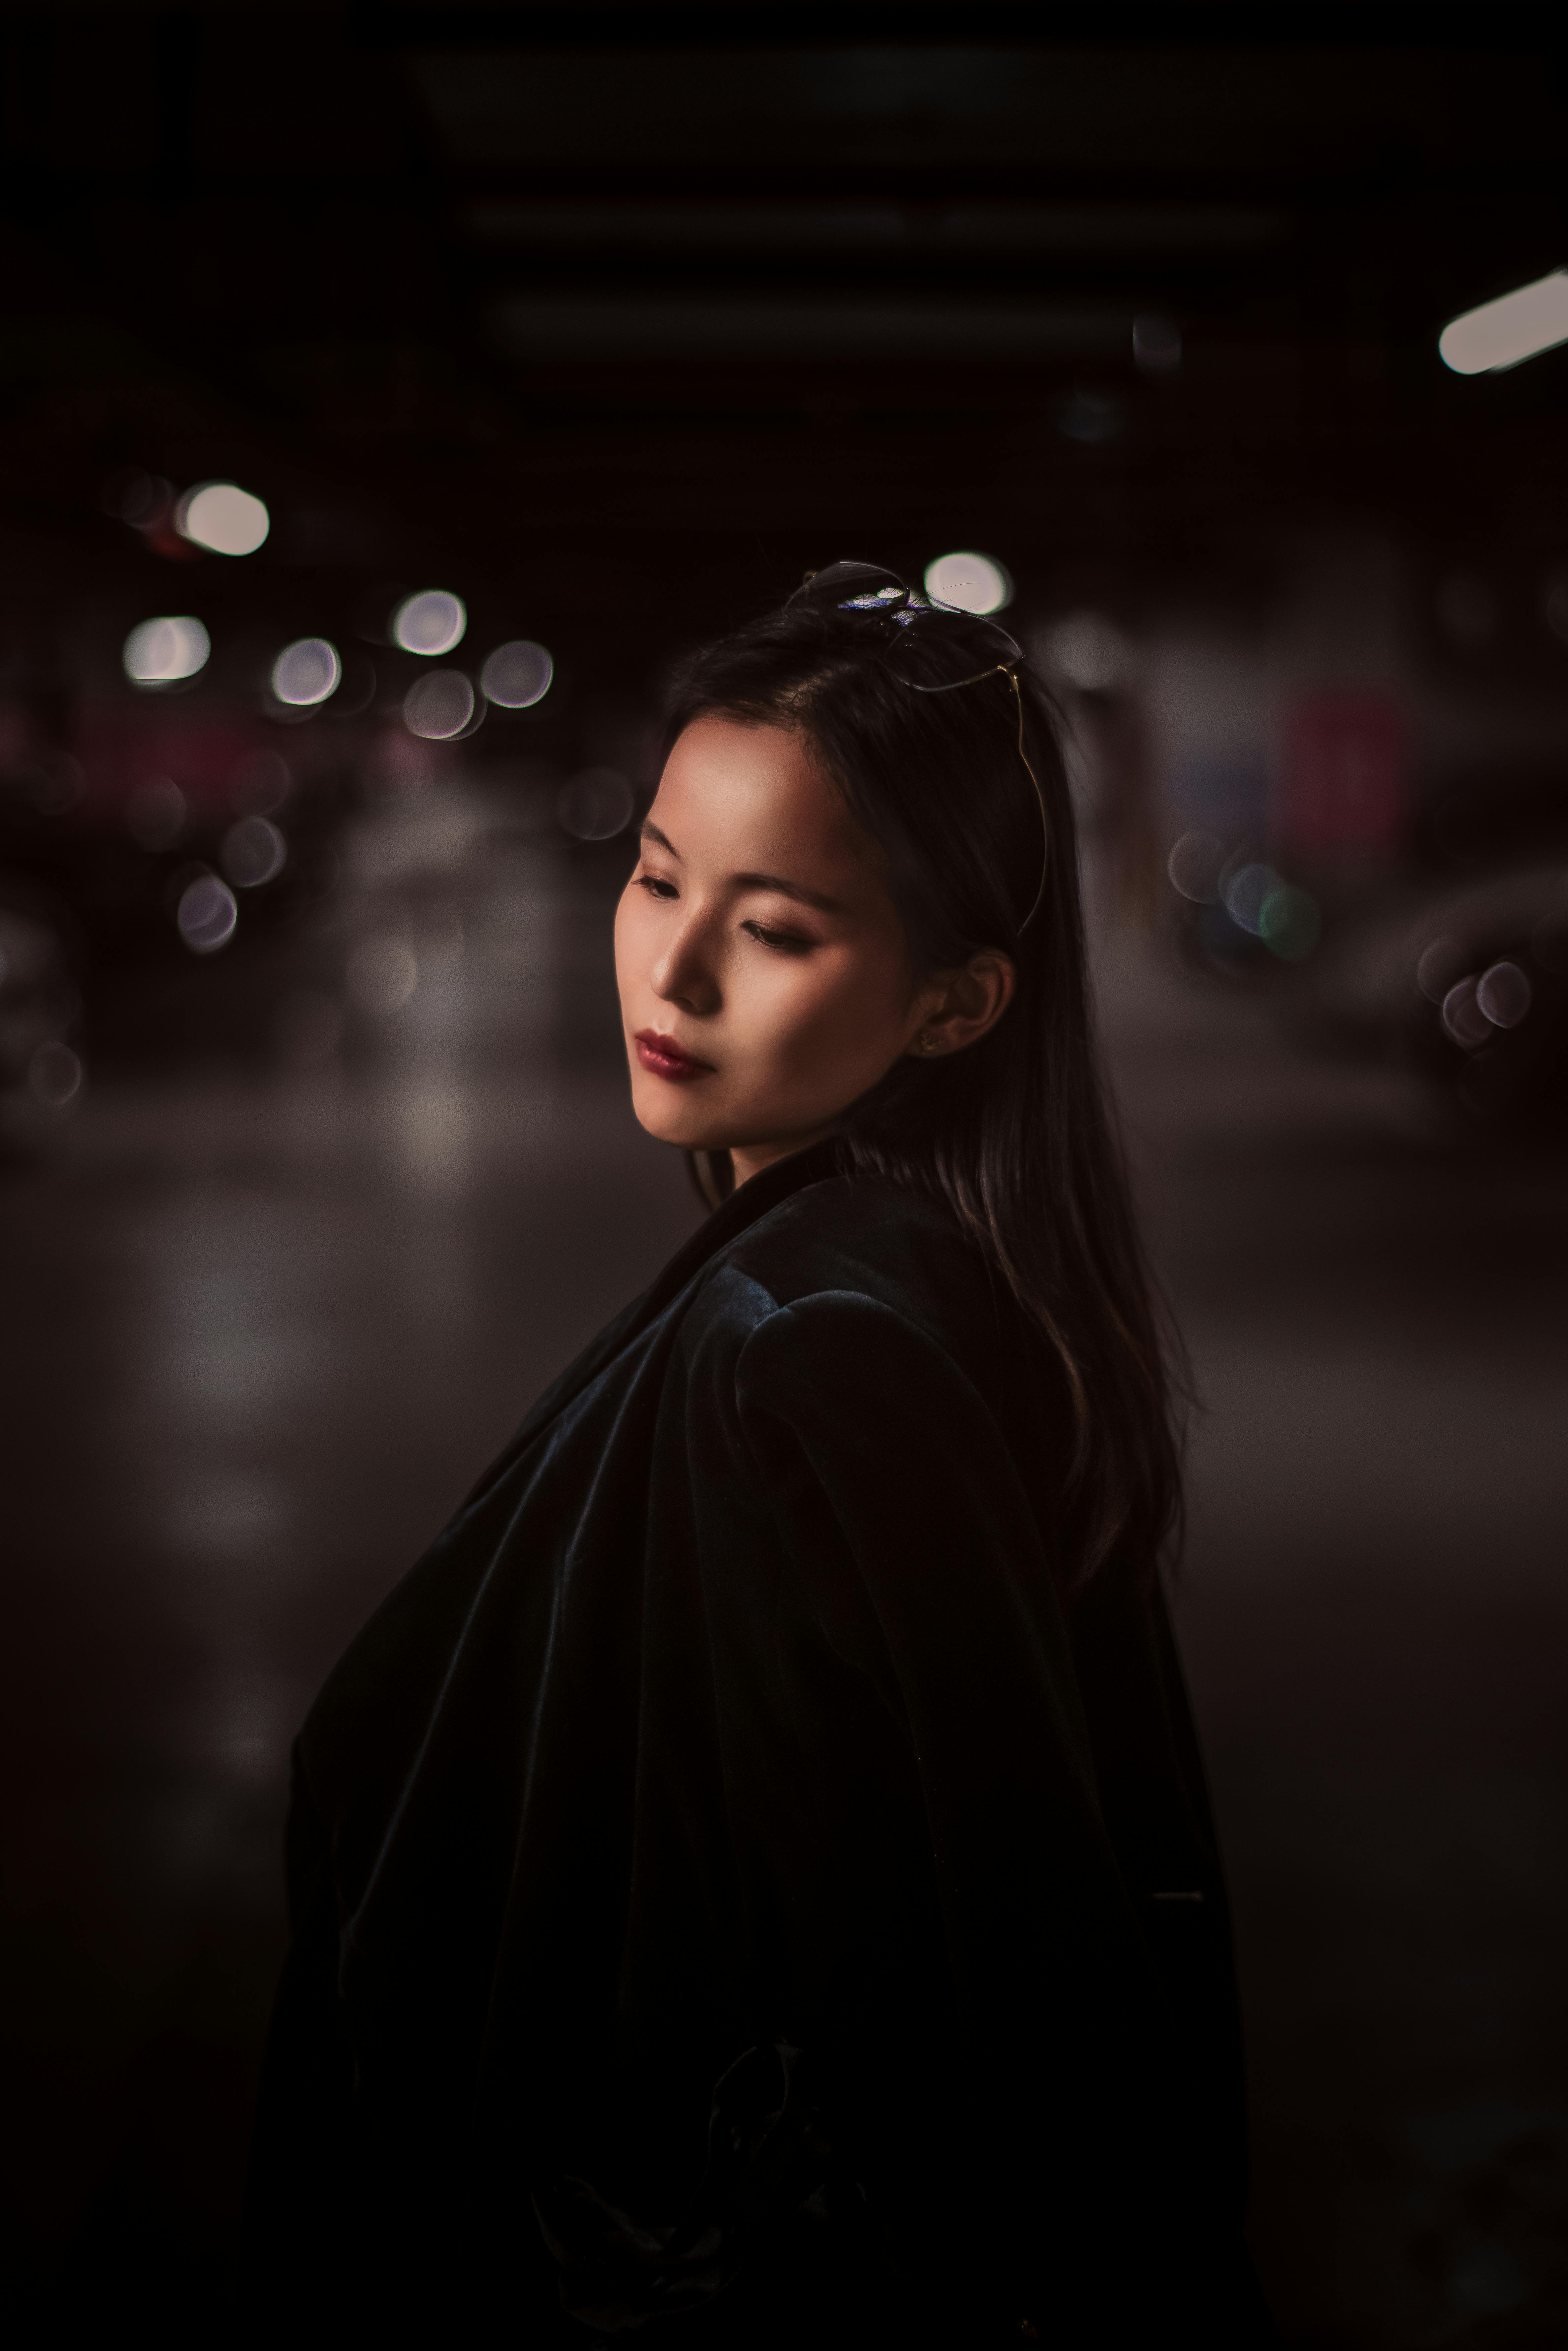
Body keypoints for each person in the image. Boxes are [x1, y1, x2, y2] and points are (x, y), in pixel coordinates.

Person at [244, 563, 1276, 2345]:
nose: (676, 966)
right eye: (654, 880)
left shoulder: (817, 1358)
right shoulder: (886, 1288)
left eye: (778, 926)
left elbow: (962, 2042)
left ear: (954, 1005)